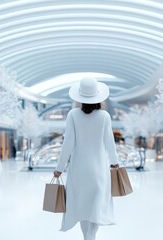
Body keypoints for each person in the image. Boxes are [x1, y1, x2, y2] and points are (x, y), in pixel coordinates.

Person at [53, 77, 120, 240]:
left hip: (78, 169)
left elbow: (67, 144)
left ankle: (87, 238)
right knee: (96, 205)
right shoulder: (104, 116)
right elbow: (109, 142)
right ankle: (91, 236)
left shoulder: (73, 115)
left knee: (82, 206)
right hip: (98, 169)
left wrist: (59, 168)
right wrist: (114, 161)